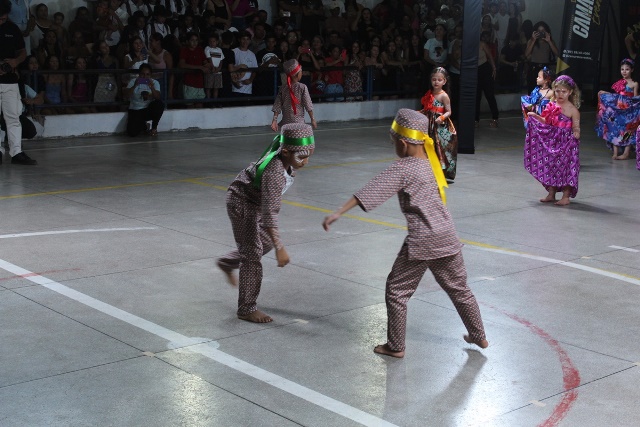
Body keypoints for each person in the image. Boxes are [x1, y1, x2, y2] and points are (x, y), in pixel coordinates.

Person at [322, 108, 488, 358]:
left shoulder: (403, 168)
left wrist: (338, 212)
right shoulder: (432, 163)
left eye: (393, 143)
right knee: (459, 289)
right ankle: (479, 335)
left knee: (397, 290)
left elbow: (372, 189)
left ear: (402, 143)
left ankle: (396, 345)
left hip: (422, 240)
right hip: (447, 236)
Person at [216, 123, 316, 323]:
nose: (306, 161)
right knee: (252, 254)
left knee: (265, 243)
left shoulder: (285, 162)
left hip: (255, 204)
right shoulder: (274, 173)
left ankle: (227, 262)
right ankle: (246, 308)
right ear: (285, 152)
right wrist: (281, 247)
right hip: (242, 203)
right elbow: (270, 213)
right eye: (302, 157)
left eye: (308, 156)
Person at [525, 75, 581, 206]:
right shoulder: (551, 105)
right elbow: (546, 121)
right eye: (557, 91)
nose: (560, 94)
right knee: (552, 166)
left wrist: (576, 133)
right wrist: (536, 116)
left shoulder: (573, 110)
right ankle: (551, 193)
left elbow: (576, 127)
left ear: (570, 92)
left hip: (567, 143)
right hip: (553, 140)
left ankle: (566, 196)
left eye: (564, 91)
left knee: (567, 168)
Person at [0, 0, 37, 165]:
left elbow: (22, 52)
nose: (1, 21)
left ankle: (16, 152)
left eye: (3, 18)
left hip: (10, 81)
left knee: (13, 117)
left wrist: (15, 62)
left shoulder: (12, 28)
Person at [595, 58, 640, 160]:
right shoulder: (619, 82)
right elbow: (615, 96)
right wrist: (605, 93)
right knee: (615, 128)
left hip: (628, 111)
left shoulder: (634, 84)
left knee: (628, 130)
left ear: (632, 70)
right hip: (618, 110)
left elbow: (635, 99)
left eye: (627, 69)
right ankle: (615, 152)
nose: (624, 71)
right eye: (622, 69)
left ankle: (626, 153)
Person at [419, 67, 458, 181]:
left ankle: (440, 171)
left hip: (440, 126)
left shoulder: (444, 95)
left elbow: (449, 111)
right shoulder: (429, 93)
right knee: (427, 146)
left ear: (444, 81)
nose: (436, 82)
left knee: (440, 147)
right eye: (434, 79)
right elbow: (427, 108)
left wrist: (442, 117)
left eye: (439, 80)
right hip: (429, 123)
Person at [271, 59, 317, 132]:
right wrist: (312, 119)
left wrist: (274, 120)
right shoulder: (302, 87)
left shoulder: (283, 88)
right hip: (299, 123)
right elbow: (308, 105)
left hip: (285, 123)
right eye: (301, 71)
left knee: (287, 139)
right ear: (298, 74)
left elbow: (277, 105)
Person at [124, 63, 164, 136]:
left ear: (151, 75)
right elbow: (126, 95)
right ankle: (144, 126)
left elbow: (158, 97)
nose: (145, 77)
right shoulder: (133, 81)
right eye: (142, 74)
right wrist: (135, 85)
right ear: (139, 74)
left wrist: (152, 87)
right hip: (135, 109)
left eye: (147, 74)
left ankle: (154, 128)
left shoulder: (155, 82)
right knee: (132, 133)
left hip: (147, 109)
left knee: (159, 104)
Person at [524, 21, 559, 92]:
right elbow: (526, 54)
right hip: (534, 68)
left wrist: (549, 41)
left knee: (545, 91)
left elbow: (557, 53)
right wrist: (533, 40)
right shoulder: (531, 41)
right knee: (532, 90)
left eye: (543, 31)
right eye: (539, 31)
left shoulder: (549, 41)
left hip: (545, 68)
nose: (541, 33)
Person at [475, 30, 499, 128]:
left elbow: (490, 56)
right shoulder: (467, 44)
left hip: (485, 69)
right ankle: (475, 119)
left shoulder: (482, 44)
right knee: (476, 96)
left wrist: (494, 68)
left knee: (489, 94)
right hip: (474, 71)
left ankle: (495, 118)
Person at [204, 33, 224, 101]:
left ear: (217, 42)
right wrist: (212, 67)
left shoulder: (219, 50)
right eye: (210, 41)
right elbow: (209, 58)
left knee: (216, 88)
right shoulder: (207, 48)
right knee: (208, 88)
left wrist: (219, 68)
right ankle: (208, 101)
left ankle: (214, 101)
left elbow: (221, 60)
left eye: (214, 41)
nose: (212, 43)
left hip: (218, 72)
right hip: (210, 71)